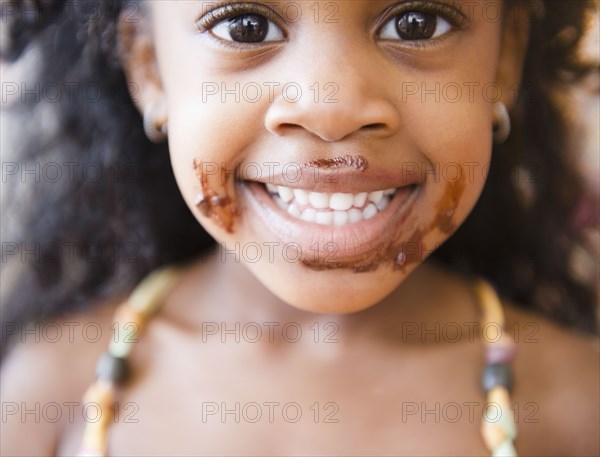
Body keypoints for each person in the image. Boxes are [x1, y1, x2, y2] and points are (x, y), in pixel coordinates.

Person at [1, 0, 598, 455]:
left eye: (417, 23)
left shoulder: (574, 401)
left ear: (504, 59)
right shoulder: (54, 390)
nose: (330, 108)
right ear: (150, 71)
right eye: (246, 27)